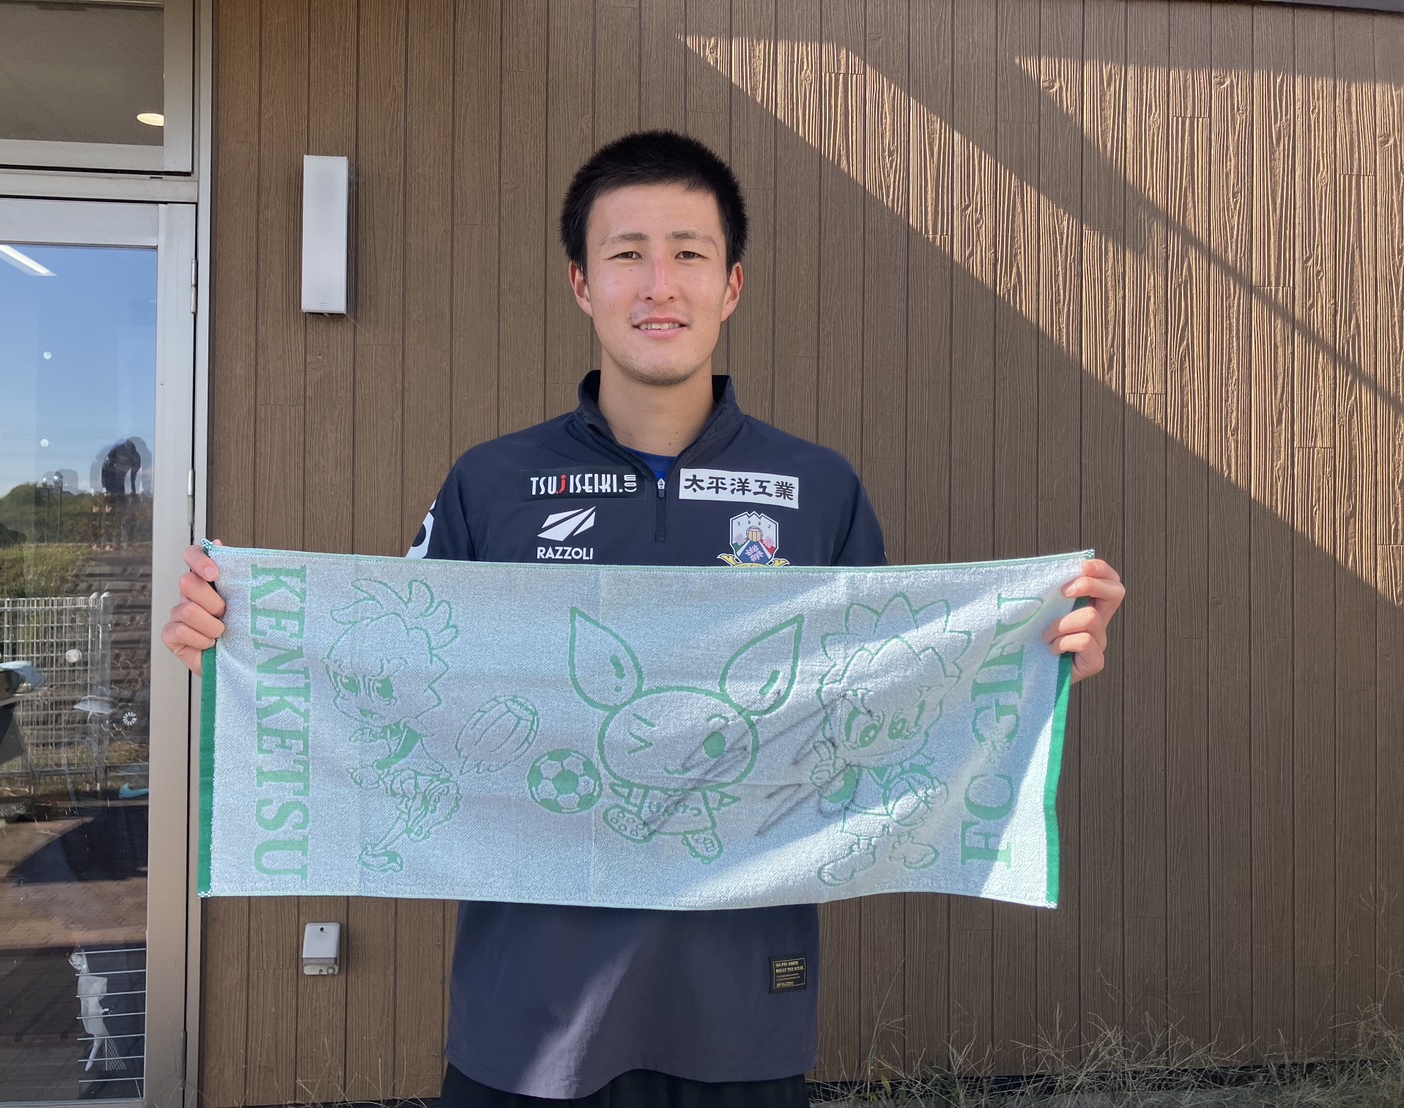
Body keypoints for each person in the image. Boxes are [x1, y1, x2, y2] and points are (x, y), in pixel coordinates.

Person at [163, 130, 1125, 1107]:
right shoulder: (492, 483)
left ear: (731, 285)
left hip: (742, 1014)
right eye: (626, 254)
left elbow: (886, 703)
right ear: (582, 284)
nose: (658, 284)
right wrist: (246, 647)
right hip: (527, 1019)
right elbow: (396, 685)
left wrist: (1034, 653)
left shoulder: (816, 489)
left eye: (688, 253)